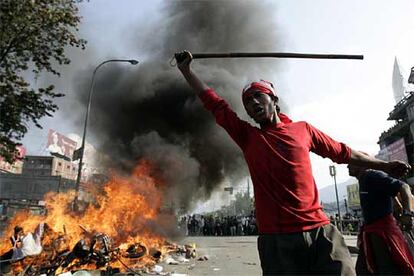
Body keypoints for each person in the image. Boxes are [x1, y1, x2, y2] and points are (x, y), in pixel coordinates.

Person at [176, 50, 412, 275]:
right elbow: (216, 104)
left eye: (258, 96)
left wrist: (384, 166)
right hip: (277, 241)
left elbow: (344, 152)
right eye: (247, 101)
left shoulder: (303, 130)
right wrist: (187, 71)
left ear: (273, 99)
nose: (253, 103)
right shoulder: (249, 137)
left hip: (321, 232)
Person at [348, 161, 414, 275]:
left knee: (386, 269)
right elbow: (387, 193)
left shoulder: (372, 176)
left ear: (363, 164)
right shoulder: (364, 179)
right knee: (362, 270)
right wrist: (396, 203)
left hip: (381, 232)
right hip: (370, 230)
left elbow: (404, 187)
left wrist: (407, 214)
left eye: (352, 163)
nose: (348, 166)